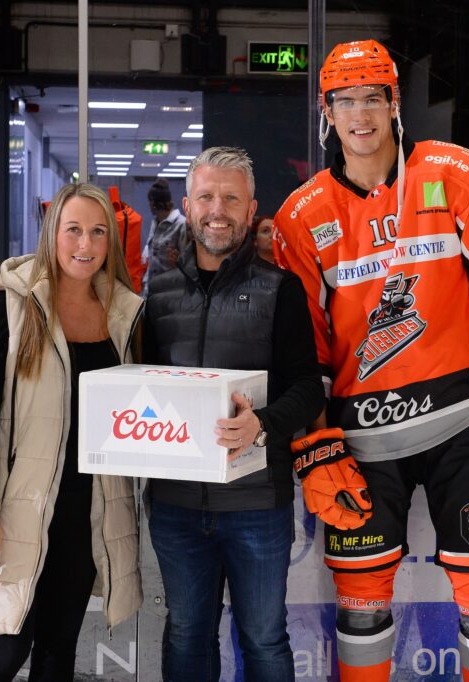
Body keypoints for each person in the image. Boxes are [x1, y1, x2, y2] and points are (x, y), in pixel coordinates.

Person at [273, 40, 469, 682]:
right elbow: (301, 348)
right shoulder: (300, 216)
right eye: (345, 101)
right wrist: (316, 447)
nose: (360, 114)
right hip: (362, 438)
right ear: (326, 113)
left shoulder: (461, 173)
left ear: (395, 103)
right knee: (361, 611)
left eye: (373, 97)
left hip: (465, 424)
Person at [0, 183, 142, 681]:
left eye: (98, 232)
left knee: (58, 653)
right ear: (52, 234)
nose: (86, 244)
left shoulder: (123, 315)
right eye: (73, 229)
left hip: (86, 509)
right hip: (19, 509)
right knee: (3, 653)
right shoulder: (11, 308)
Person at [144, 147, 323, 682]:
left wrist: (262, 424)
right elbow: (144, 389)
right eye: (206, 197)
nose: (216, 209)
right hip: (174, 506)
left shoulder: (280, 289)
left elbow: (307, 388)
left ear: (251, 210)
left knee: (264, 638)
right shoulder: (159, 292)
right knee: (185, 634)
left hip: (256, 505)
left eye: (230, 198)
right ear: (187, 205)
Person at [142, 178, 189, 295]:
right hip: (151, 291)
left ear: (154, 202)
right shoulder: (155, 223)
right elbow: (153, 257)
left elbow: (187, 263)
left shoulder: (181, 225)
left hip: (170, 293)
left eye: (149, 201)